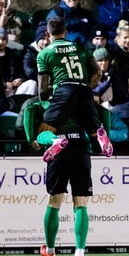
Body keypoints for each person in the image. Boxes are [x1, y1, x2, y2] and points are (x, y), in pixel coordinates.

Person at [37, 15, 113, 159]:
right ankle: (101, 138)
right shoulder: (80, 47)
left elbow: (43, 85)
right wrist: (88, 87)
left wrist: (45, 100)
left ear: (47, 34)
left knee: (42, 130)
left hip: (64, 90)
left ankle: (56, 141)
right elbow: (97, 71)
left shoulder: (44, 53)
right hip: (84, 89)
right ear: (65, 32)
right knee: (92, 129)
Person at [37, 112, 95, 256]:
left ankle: (50, 250)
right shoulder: (83, 105)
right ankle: (79, 254)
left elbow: (36, 134)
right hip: (81, 149)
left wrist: (38, 139)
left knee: (54, 202)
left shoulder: (51, 107)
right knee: (81, 204)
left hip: (60, 154)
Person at [18, 20, 50, 96]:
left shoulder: (52, 50)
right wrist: (47, 75)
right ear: (37, 38)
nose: (46, 42)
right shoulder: (29, 51)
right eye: (43, 39)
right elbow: (29, 71)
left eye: (48, 39)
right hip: (33, 83)